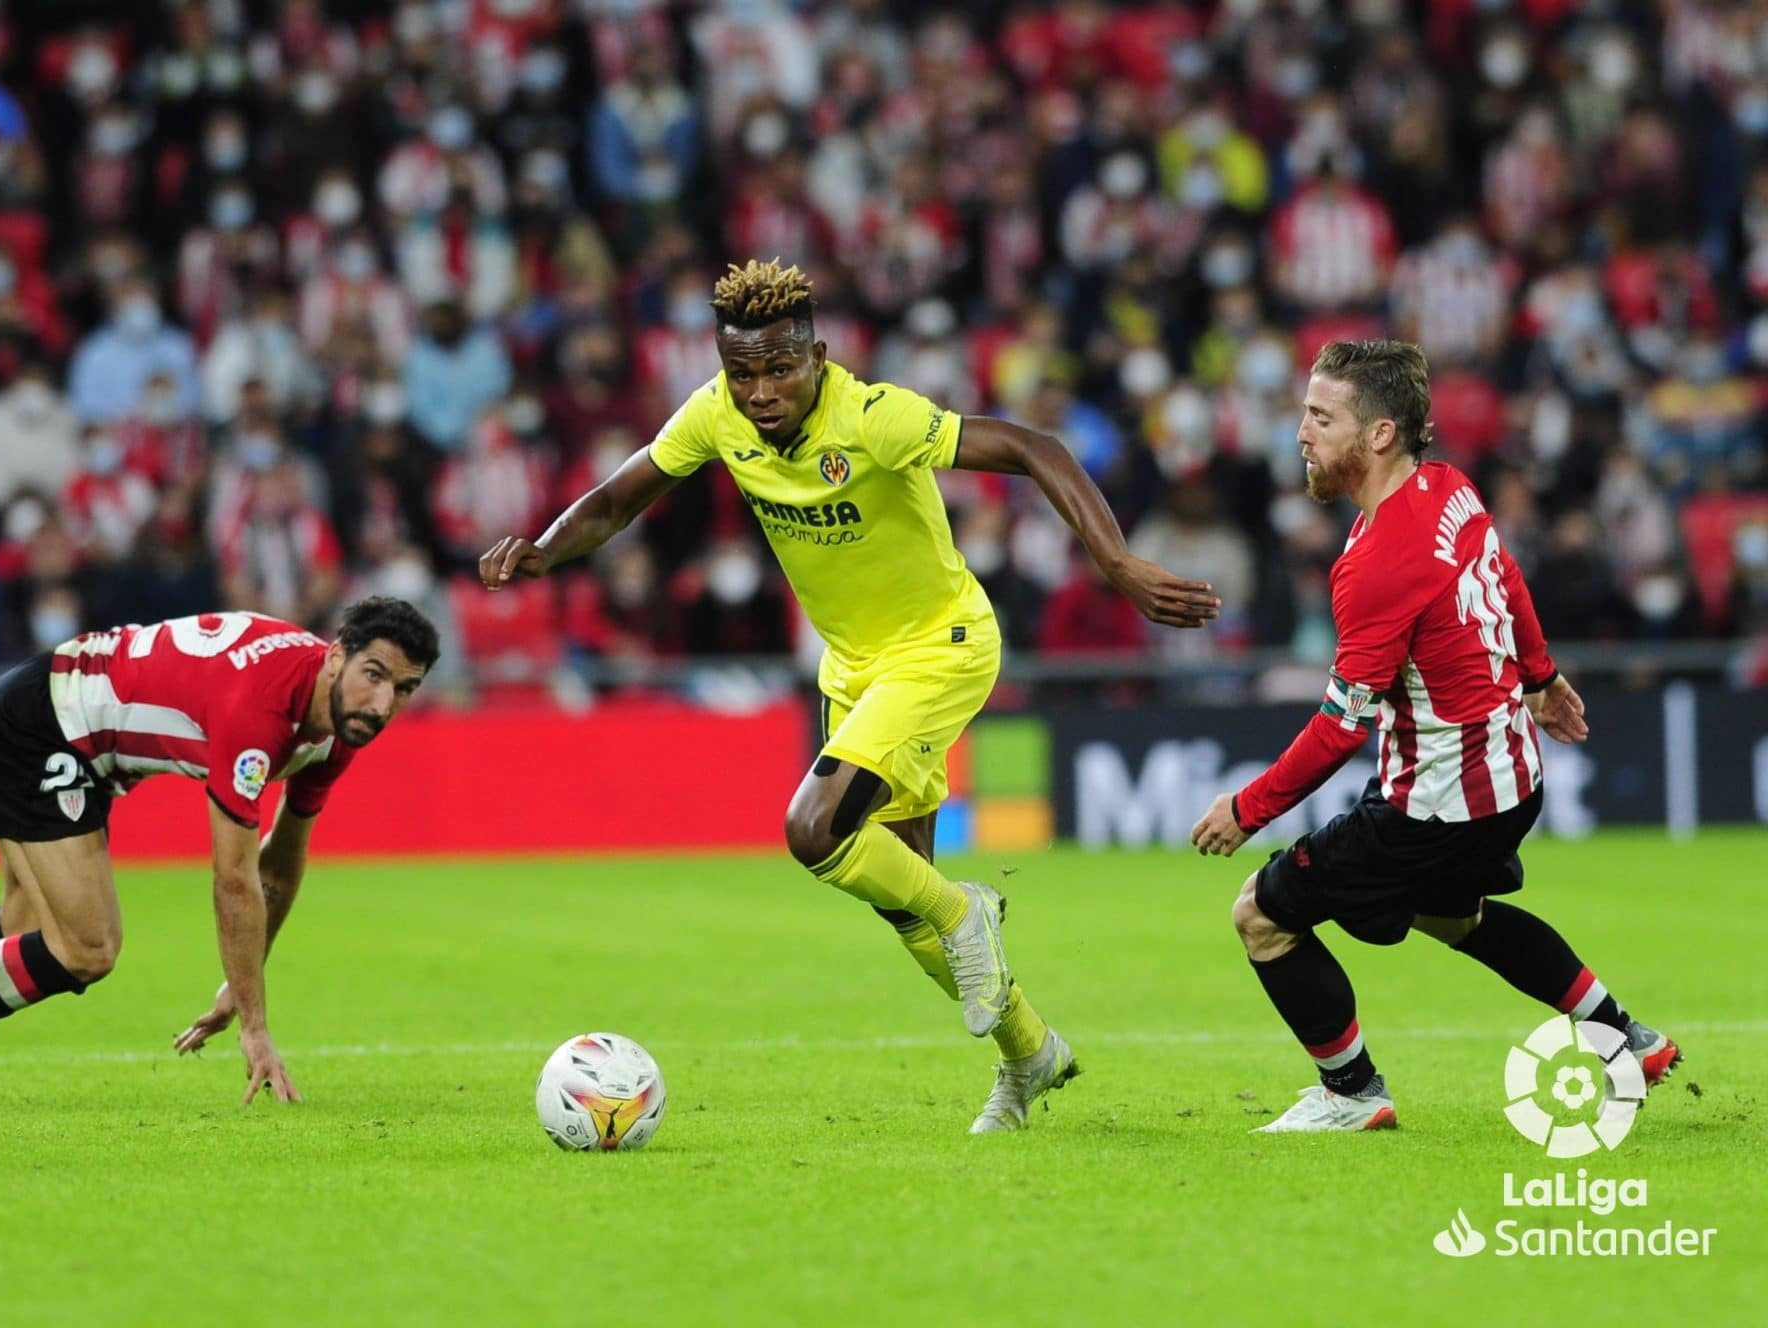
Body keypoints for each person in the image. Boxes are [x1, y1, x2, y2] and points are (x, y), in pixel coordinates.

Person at [481, 259, 1220, 1132]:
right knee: (902, 899)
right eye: (742, 372)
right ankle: (1029, 1052)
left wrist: (1118, 564)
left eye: (780, 368)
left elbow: (1034, 448)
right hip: (853, 670)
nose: (760, 391)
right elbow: (616, 502)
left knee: (814, 831)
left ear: (819, 357)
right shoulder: (715, 414)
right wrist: (544, 548)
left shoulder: (874, 416)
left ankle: (970, 910)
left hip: (941, 648)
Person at [1188, 340, 1681, 1133]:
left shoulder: (1378, 561)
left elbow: (1341, 726)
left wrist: (1248, 810)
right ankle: (1626, 1038)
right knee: (1456, 919)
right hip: (1513, 782)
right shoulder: (1449, 488)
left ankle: (1351, 1092)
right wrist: (1540, 676)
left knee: (1263, 915)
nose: (1301, 433)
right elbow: (1505, 575)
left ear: (1379, 434)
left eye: (1321, 418)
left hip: (1436, 805)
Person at [0, 596, 439, 1111]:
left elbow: (280, 867)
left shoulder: (340, 727)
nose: (383, 704)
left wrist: (241, 985)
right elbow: (234, 879)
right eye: (374, 675)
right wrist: (255, 1024)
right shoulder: (261, 711)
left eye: (404, 689)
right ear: (335, 656)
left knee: (25, 933)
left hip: (70, 732)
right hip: (41, 724)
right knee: (87, 948)